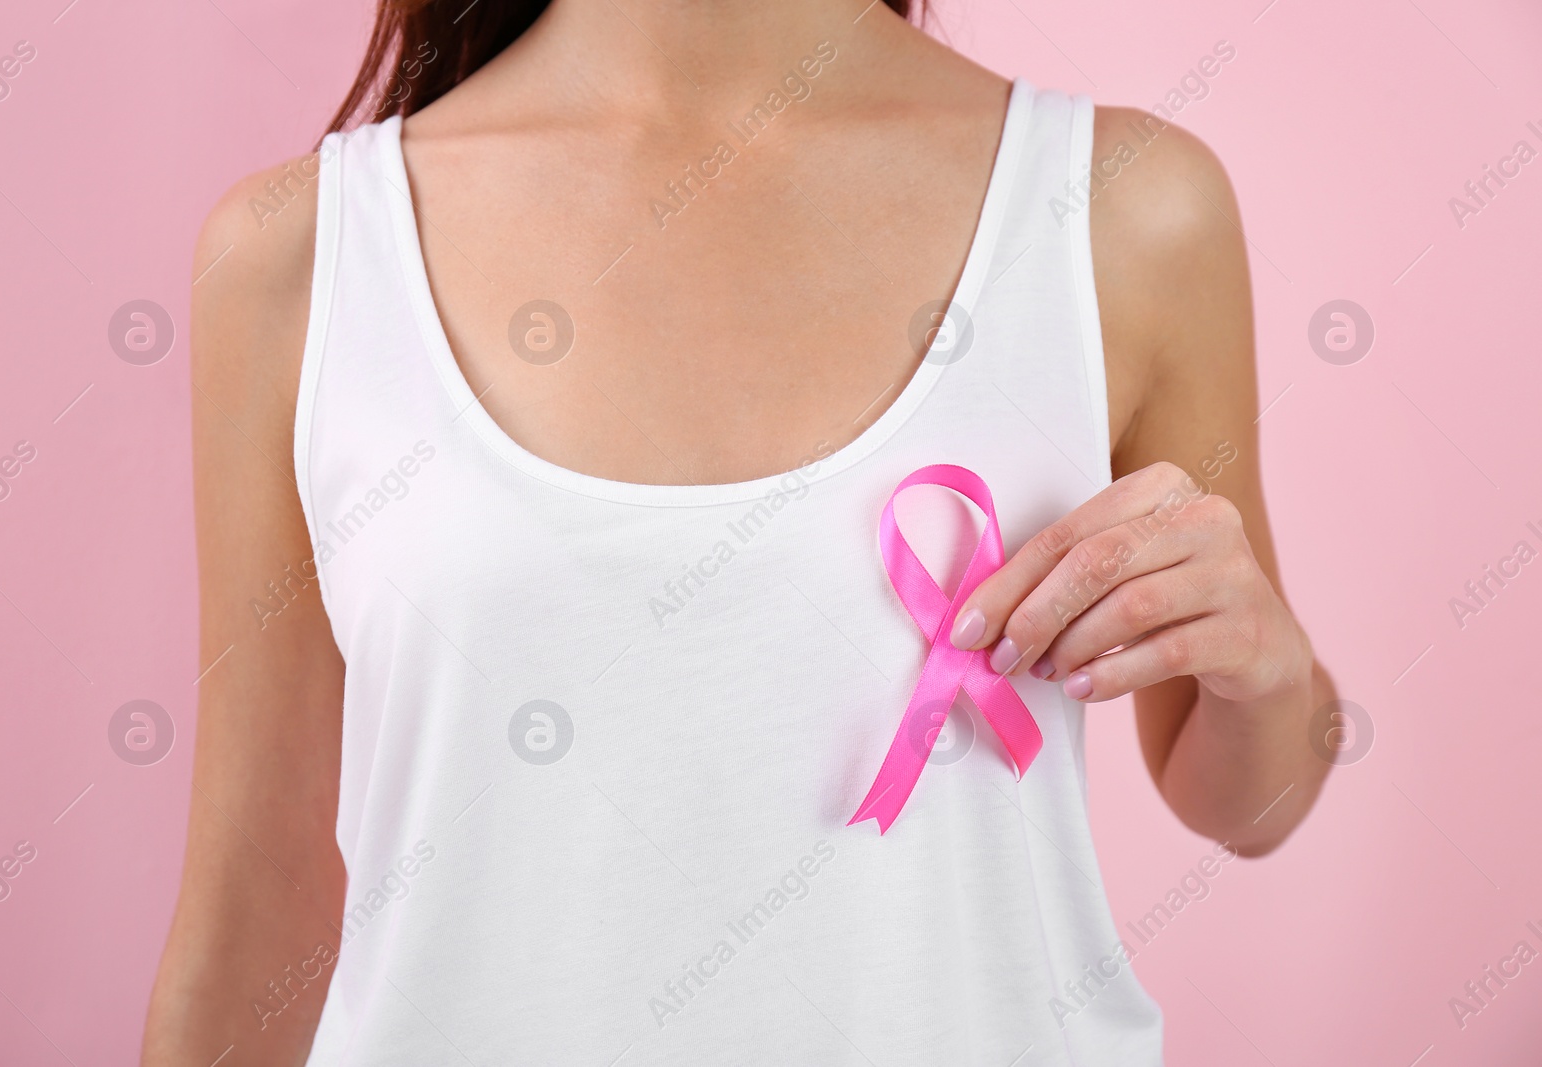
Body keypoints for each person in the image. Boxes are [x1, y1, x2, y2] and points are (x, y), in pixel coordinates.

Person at [143, 0, 1335, 1063]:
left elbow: (1248, 801)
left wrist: (1268, 666)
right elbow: (259, 901)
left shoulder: (1124, 205)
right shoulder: (300, 256)